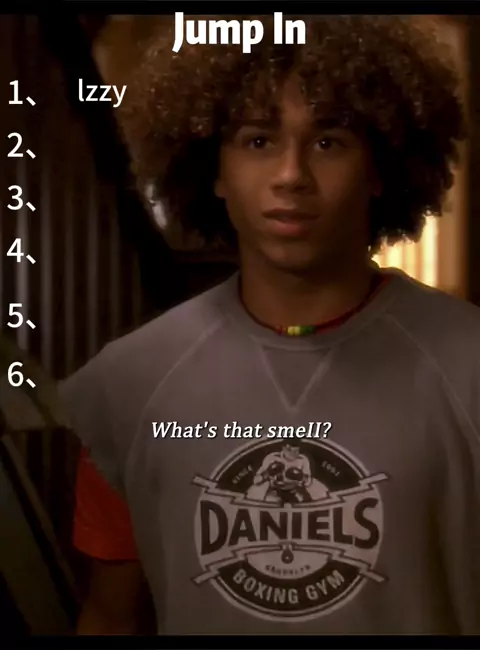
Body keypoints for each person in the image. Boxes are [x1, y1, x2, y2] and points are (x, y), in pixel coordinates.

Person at [60, 14, 477, 635]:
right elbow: (108, 618)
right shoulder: (128, 386)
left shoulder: (469, 365)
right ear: (214, 170)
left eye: (329, 141)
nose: (291, 175)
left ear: (380, 168)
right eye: (258, 141)